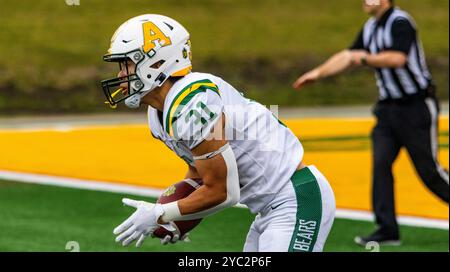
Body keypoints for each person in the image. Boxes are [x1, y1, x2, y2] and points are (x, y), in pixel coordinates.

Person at [101, 14, 335, 252]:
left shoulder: (192, 101)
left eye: (127, 64)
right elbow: (200, 173)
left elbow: (224, 192)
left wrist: (161, 213)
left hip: (296, 197)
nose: (121, 75)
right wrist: (179, 218)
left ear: (157, 63)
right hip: (271, 206)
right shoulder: (159, 114)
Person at [293, 0, 449, 246]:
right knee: (380, 164)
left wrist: (364, 58)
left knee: (429, 171)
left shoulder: (400, 22)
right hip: (387, 110)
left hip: (416, 107)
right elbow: (348, 55)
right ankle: (387, 228)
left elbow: (397, 58)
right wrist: (318, 73)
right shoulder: (370, 27)